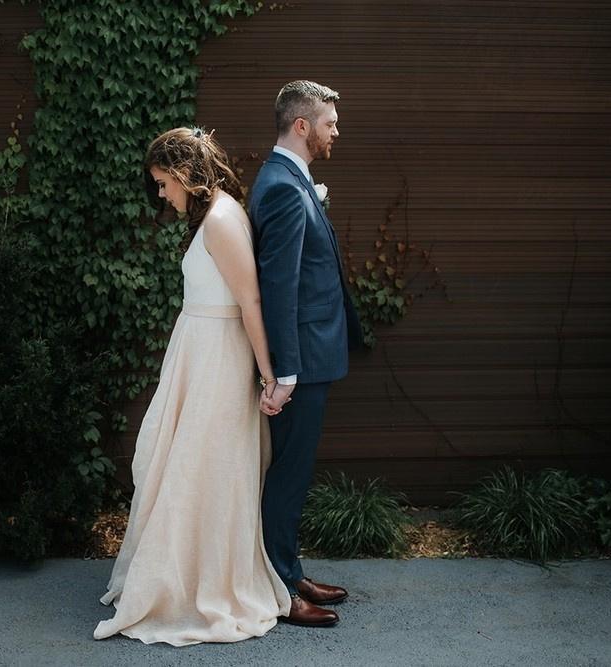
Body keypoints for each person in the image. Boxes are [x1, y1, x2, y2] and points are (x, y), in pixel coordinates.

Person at [93, 127, 291, 646]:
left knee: (204, 463)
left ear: (183, 175)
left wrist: (269, 376)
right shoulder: (213, 215)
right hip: (199, 350)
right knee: (188, 460)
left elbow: (250, 303)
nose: (161, 195)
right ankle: (176, 571)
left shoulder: (222, 219)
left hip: (217, 358)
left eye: (163, 183)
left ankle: (198, 583)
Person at [248, 80, 363, 627]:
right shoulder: (281, 188)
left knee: (294, 470)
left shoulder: (290, 179)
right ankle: (279, 590)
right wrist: (285, 371)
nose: (336, 130)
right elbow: (279, 286)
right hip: (303, 363)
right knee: (289, 473)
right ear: (301, 125)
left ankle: (288, 571)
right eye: (329, 122)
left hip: (313, 356)